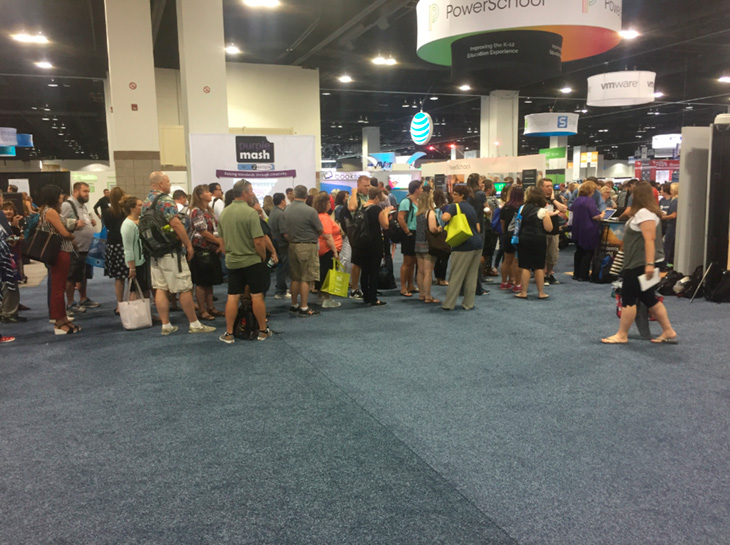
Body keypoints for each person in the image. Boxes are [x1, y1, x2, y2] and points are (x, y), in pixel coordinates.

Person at [602, 181, 678, 344]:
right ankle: (668, 330)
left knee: (629, 298)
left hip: (641, 265)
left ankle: (622, 334)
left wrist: (649, 265)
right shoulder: (645, 213)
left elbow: (649, 240)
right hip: (644, 263)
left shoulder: (645, 214)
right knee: (648, 298)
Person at [143, 172, 216, 336]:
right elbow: (175, 223)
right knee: (184, 287)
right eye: (168, 182)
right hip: (171, 251)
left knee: (160, 287)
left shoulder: (146, 201)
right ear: (161, 184)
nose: (170, 185)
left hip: (154, 251)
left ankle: (166, 325)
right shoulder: (164, 200)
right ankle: (194, 323)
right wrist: (188, 245)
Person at [216, 180, 271, 343]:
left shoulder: (225, 212)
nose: (253, 193)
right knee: (256, 296)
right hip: (252, 261)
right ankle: (262, 331)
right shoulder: (250, 213)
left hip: (233, 261)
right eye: (251, 191)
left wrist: (230, 254)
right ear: (245, 193)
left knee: (233, 297)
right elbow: (259, 241)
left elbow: (221, 241)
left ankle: (229, 333)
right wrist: (261, 257)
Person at [38, 185, 79, 334]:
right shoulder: (51, 212)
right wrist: (72, 234)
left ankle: (62, 318)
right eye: (60, 195)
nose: (62, 197)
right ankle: (58, 321)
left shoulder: (47, 211)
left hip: (61, 252)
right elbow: (64, 233)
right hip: (59, 252)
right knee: (58, 288)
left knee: (58, 287)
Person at [440, 185, 483, 310]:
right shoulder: (471, 208)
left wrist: (444, 214)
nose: (452, 196)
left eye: (455, 194)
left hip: (463, 245)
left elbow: (445, 218)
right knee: (471, 276)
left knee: (456, 275)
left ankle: (449, 304)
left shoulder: (454, 207)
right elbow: (478, 228)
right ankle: (468, 303)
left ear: (461, 195)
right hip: (477, 244)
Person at [283, 185, 323, 317]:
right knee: (306, 277)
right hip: (307, 245)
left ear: (294, 195)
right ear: (306, 195)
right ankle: (304, 306)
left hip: (292, 245)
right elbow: (320, 229)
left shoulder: (287, 210)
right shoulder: (310, 211)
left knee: (295, 277)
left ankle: (294, 304)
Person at [61, 182, 101, 312]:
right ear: (76, 191)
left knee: (83, 275)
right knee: (71, 276)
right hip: (74, 248)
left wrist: (90, 222)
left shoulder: (82, 206)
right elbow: (60, 225)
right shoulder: (68, 205)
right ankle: (71, 303)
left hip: (86, 248)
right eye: (85, 191)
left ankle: (83, 298)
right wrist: (73, 225)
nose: (87, 194)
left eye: (88, 191)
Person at [189, 184, 225, 321]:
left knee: (209, 282)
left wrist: (218, 243)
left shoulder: (208, 210)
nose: (210, 194)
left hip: (211, 250)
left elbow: (214, 229)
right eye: (207, 192)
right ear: (200, 195)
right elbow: (203, 232)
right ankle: (202, 310)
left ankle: (211, 308)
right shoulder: (196, 211)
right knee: (202, 282)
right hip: (201, 250)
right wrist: (219, 242)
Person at [515, 187, 556, 300]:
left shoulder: (522, 208)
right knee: (539, 267)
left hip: (523, 238)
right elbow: (549, 228)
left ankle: (523, 292)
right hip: (538, 240)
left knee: (525, 266)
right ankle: (541, 292)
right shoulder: (543, 211)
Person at [570, 181, 604, 282]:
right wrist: (602, 215)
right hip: (588, 230)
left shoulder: (577, 200)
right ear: (591, 190)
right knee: (588, 253)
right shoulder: (589, 201)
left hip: (577, 229)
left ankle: (576, 273)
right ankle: (583, 275)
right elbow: (595, 216)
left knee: (579, 252)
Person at [102, 186, 129, 314]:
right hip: (125, 244)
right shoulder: (127, 211)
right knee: (131, 275)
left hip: (113, 245)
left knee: (119, 278)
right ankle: (132, 301)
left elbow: (107, 226)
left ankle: (119, 304)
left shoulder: (107, 212)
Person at [313, 194, 342, 308]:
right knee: (327, 274)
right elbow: (327, 236)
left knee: (322, 273)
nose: (331, 204)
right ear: (324, 204)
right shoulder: (324, 217)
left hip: (322, 249)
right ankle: (327, 298)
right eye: (329, 202)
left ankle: (321, 297)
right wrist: (335, 251)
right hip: (327, 250)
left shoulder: (320, 216)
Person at [120, 196, 151, 300]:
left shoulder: (140, 220)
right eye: (139, 205)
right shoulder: (127, 225)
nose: (142, 207)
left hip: (144, 261)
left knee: (145, 289)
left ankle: (146, 314)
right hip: (135, 263)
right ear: (132, 208)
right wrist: (132, 268)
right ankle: (135, 315)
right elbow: (128, 248)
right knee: (135, 290)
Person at [347, 175, 371, 298]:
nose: (368, 188)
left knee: (368, 261)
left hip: (370, 233)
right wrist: (354, 192)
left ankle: (367, 287)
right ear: (358, 185)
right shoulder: (354, 197)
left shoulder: (369, 196)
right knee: (357, 262)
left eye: (369, 185)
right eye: (365, 186)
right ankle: (354, 288)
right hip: (358, 234)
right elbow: (352, 208)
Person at [414, 190, 440, 304]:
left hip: (418, 243)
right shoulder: (430, 213)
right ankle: (428, 296)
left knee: (420, 271)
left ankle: (421, 294)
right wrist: (440, 229)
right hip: (428, 244)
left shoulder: (418, 213)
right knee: (428, 272)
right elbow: (432, 228)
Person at [397, 180, 422, 297]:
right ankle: (403, 287)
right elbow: (400, 218)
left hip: (417, 233)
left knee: (414, 261)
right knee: (407, 262)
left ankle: (411, 285)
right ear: (416, 188)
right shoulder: (406, 202)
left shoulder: (418, 201)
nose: (422, 190)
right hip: (409, 233)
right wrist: (407, 232)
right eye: (421, 188)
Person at [540, 178, 567, 286]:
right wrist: (555, 213)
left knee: (553, 255)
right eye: (547, 186)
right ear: (541, 187)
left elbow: (564, 209)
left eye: (551, 186)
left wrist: (553, 200)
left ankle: (549, 274)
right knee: (543, 255)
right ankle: (542, 275)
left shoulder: (555, 198)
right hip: (542, 232)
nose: (550, 188)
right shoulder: (539, 199)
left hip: (554, 231)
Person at [499, 186, 523, 292]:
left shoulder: (505, 206)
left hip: (507, 235)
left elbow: (502, 222)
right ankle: (517, 284)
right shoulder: (523, 207)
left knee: (506, 260)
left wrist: (505, 233)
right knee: (518, 261)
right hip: (518, 236)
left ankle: (504, 283)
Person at [268, 193, 290, 299]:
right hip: (281, 244)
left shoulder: (273, 212)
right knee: (282, 267)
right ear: (282, 201)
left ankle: (280, 288)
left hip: (275, 243)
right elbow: (284, 232)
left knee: (280, 267)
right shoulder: (281, 214)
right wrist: (291, 241)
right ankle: (281, 290)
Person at [432, 188, 450, 286]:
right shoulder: (447, 208)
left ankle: (437, 277)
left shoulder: (432, 208)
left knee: (436, 257)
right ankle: (442, 279)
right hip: (445, 233)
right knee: (445, 257)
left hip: (435, 233)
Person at [661, 183, 678, 270]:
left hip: (671, 226)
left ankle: (666, 264)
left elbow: (674, 215)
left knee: (668, 245)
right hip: (672, 225)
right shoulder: (675, 200)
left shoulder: (675, 201)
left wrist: (664, 217)